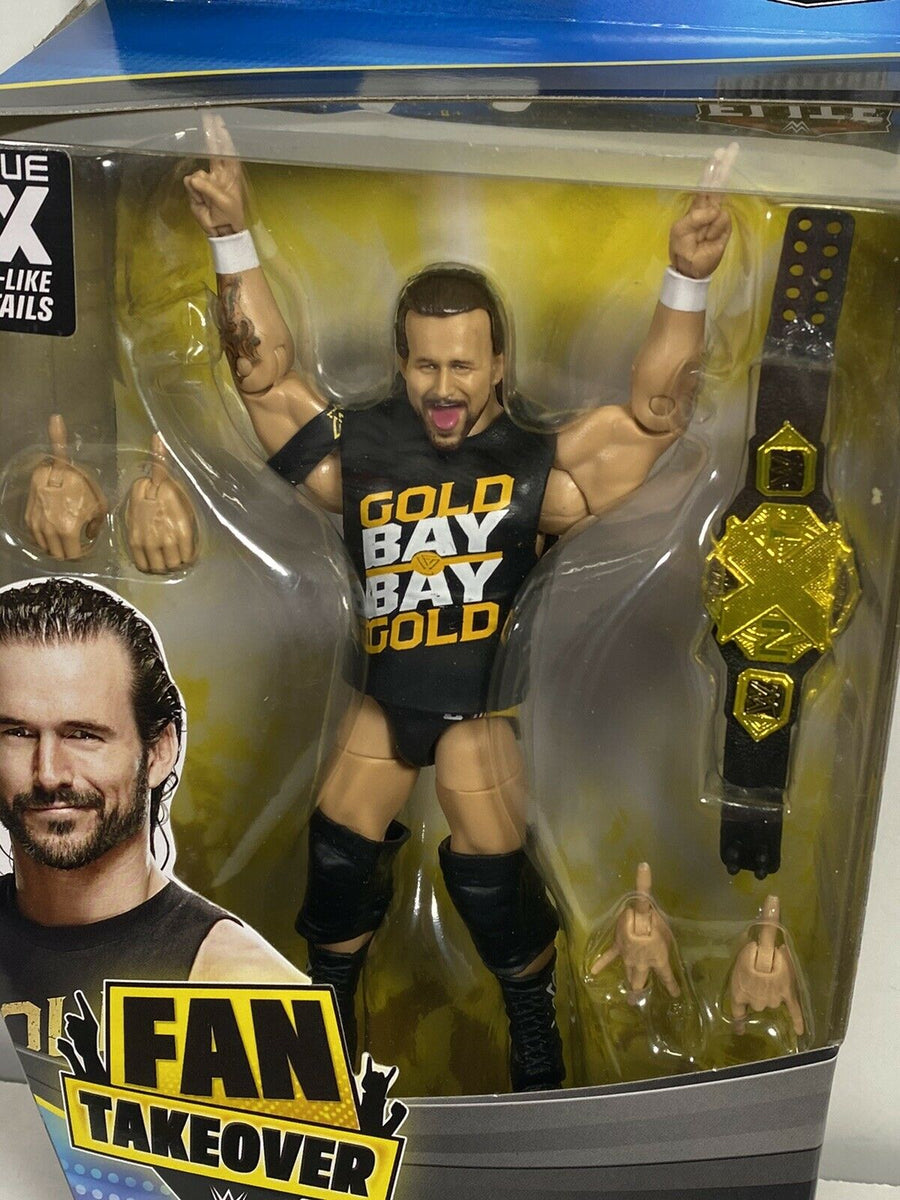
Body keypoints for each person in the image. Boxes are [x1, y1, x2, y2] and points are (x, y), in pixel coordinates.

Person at [183, 124, 733, 1093]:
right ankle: (323, 1032)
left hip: (478, 711)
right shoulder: (365, 453)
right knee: (337, 868)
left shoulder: (535, 468)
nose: (444, 389)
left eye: (464, 366)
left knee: (495, 882)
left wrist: (685, 279)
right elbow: (262, 378)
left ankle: (535, 1034)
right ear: (401, 363)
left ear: (500, 364)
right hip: (381, 702)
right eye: (426, 366)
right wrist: (233, 237)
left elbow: (655, 418)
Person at [0, 577, 306, 1097]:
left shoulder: (248, 990)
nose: (48, 772)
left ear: (160, 751)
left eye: (83, 735)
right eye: (17, 733)